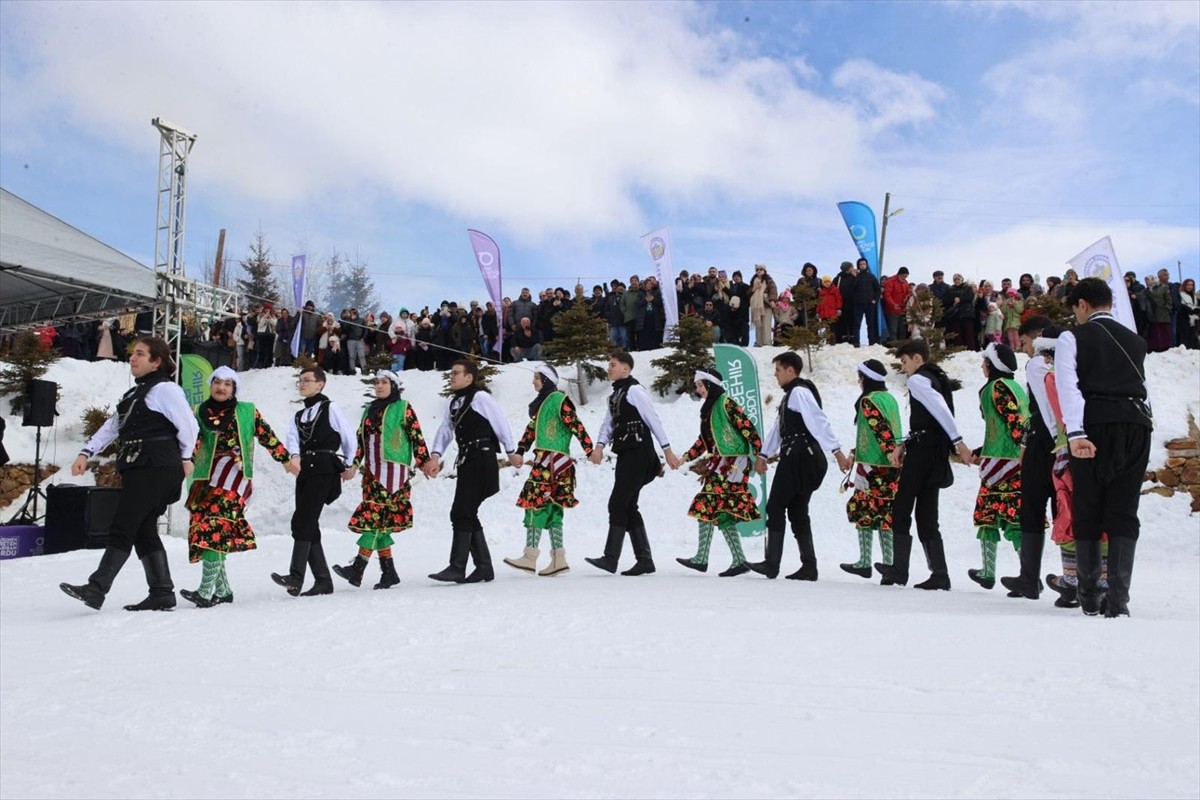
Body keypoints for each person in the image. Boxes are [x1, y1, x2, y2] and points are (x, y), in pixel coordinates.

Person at [61, 337, 200, 611]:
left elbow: (189, 426)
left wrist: (187, 458)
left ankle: (97, 588)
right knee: (144, 529)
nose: (132, 359)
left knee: (123, 525)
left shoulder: (166, 389)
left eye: (140, 354)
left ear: (156, 361)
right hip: (143, 467)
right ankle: (161, 592)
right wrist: (85, 453)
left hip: (158, 467)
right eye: (132, 354)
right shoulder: (133, 395)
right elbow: (112, 427)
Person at [1056, 278, 1153, 617]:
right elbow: (1143, 387)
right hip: (1137, 425)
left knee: (1089, 505)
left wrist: (1076, 432)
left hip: (1095, 424)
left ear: (1082, 304)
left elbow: (1069, 386)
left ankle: (1088, 596)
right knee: (1124, 509)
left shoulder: (1073, 337)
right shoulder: (1136, 341)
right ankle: (1118, 602)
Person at [180, 366, 291, 607]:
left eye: (227, 384)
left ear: (234, 389)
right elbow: (192, 441)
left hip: (234, 474)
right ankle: (224, 590)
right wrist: (184, 460)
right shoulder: (198, 411)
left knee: (214, 526)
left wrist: (286, 459)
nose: (221, 387)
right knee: (208, 527)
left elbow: (267, 436)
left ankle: (205, 591)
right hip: (204, 478)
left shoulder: (247, 411)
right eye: (217, 382)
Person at [877, 339, 974, 590]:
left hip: (922, 454)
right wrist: (903, 444)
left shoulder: (919, 380)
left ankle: (899, 570)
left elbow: (940, 410)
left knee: (901, 508)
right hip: (935, 452)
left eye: (905, 361)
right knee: (927, 515)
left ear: (917, 358)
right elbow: (932, 418)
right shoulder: (937, 376)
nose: (905, 368)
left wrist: (959, 442)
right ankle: (940, 574)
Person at [748, 352, 851, 580]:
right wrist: (763, 455)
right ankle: (809, 566)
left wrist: (837, 451)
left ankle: (772, 564)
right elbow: (778, 428)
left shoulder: (799, 392)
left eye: (778, 370)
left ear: (790, 370)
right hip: (803, 457)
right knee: (797, 511)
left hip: (799, 457)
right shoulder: (791, 396)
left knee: (775, 506)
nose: (775, 375)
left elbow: (818, 420)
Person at [332, 370, 431, 590]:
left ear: (394, 386)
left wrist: (423, 462)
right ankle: (389, 572)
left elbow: (417, 436)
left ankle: (358, 568)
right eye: (376, 383)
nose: (379, 386)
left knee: (374, 519)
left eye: (384, 382)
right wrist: (354, 464)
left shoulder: (403, 407)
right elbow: (360, 440)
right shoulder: (369, 410)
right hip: (373, 472)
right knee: (380, 522)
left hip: (394, 473)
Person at [586, 352, 681, 575]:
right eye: (608, 365)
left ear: (626, 369)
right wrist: (599, 446)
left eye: (613, 365)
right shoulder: (616, 395)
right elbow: (608, 423)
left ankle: (611, 559)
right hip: (626, 454)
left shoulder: (635, 391)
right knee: (628, 506)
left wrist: (667, 450)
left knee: (618, 503)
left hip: (640, 453)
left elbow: (652, 419)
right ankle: (645, 560)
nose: (608, 368)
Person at [425, 360, 518, 584]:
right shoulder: (453, 402)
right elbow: (446, 430)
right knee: (465, 512)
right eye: (451, 373)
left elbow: (500, 422)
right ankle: (484, 567)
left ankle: (458, 566)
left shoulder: (481, 398)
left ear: (469, 377)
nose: (452, 376)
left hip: (482, 458)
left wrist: (511, 450)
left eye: (456, 373)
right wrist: (436, 455)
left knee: (461, 511)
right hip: (467, 461)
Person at [271, 366, 357, 597]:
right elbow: (292, 441)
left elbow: (349, 436)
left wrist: (350, 463)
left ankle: (296, 575)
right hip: (306, 471)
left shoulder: (331, 408)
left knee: (304, 520)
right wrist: (295, 457)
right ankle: (323, 580)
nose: (302, 384)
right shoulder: (298, 415)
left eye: (307, 380)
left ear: (321, 384)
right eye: (300, 381)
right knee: (306, 523)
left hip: (325, 467)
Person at [504, 365, 594, 577]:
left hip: (549, 463)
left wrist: (590, 450)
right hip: (558, 464)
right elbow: (531, 431)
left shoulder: (558, 400)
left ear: (546, 380)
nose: (533, 382)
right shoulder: (544, 404)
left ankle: (530, 556)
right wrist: (520, 450)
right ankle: (558, 559)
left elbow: (576, 425)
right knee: (553, 509)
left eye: (536, 378)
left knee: (534, 503)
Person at [674, 367, 762, 577]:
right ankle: (738, 560)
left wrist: (760, 454)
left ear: (710, 385)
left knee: (705, 503)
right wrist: (686, 457)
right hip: (721, 462)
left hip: (732, 463)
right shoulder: (711, 408)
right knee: (722, 514)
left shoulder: (726, 403)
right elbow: (704, 440)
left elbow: (747, 427)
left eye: (700, 385)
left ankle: (701, 558)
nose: (698, 390)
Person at [1000, 317, 1058, 601]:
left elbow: (1045, 410)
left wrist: (1040, 441)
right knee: (1063, 509)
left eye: (1023, 342)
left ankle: (1029, 577)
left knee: (1032, 508)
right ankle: (1074, 577)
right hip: (1059, 441)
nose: (1021, 348)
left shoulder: (1037, 364)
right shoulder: (1067, 363)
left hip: (1045, 442)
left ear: (1036, 338)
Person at [967, 343, 1028, 590]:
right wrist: (983, 450)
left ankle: (1011, 573)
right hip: (1008, 459)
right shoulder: (1014, 386)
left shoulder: (996, 388)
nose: (982, 366)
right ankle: (1024, 571)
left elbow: (1014, 423)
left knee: (993, 516)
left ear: (991, 365)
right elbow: (1003, 427)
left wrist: (1018, 447)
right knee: (1009, 516)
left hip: (1004, 464)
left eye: (984, 362)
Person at [840, 359, 903, 579]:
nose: (859, 382)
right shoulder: (890, 398)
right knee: (885, 514)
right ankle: (888, 565)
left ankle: (866, 561)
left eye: (860, 377)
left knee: (865, 512)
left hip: (873, 467)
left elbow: (880, 431)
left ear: (866, 379)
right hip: (889, 464)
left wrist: (887, 457)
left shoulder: (868, 401)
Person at [749, 265, 778, 346]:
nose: (759, 271)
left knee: (766, 325)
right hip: (756, 306)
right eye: (757, 269)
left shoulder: (769, 280)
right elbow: (748, 293)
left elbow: (773, 290)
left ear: (765, 270)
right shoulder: (753, 281)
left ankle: (767, 343)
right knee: (758, 325)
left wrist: (772, 300)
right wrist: (754, 289)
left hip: (766, 305)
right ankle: (759, 342)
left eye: (761, 269)